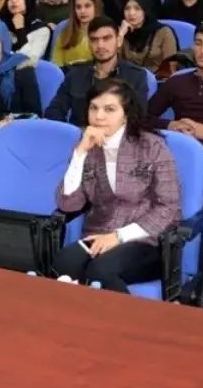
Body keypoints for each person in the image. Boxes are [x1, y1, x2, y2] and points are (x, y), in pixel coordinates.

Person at [53, 78, 182, 292]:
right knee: (64, 263)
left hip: (144, 241)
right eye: (93, 108)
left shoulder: (152, 147)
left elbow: (169, 209)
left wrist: (119, 237)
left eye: (109, 109)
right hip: (98, 235)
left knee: (101, 271)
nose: (99, 116)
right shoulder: (88, 148)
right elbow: (68, 205)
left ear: (126, 114)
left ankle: (127, 323)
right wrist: (79, 154)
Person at [45, 16, 150, 127]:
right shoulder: (75, 74)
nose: (100, 45)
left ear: (119, 41)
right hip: (80, 139)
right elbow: (54, 112)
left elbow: (139, 120)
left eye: (106, 39)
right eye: (94, 40)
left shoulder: (136, 76)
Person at [119, 0, 178, 79]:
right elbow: (111, 63)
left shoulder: (164, 32)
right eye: (127, 8)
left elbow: (171, 69)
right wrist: (121, 35)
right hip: (127, 82)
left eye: (137, 8)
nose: (131, 13)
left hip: (158, 81)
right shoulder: (122, 32)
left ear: (146, 9)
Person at [0, 0, 51, 66]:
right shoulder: (1, 23)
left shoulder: (42, 30)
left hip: (25, 72)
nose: (13, 0)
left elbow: (28, 59)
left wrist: (20, 29)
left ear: (28, 0)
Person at [51, 0, 102, 67]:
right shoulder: (65, 33)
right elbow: (56, 66)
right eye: (78, 7)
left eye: (87, 6)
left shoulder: (105, 33)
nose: (82, 11)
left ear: (96, 7)